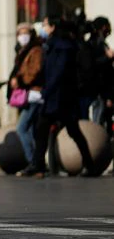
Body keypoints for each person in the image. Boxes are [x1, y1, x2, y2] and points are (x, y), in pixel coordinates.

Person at [27, 17, 98, 178]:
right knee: (43, 129)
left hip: (62, 98)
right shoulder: (52, 45)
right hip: (54, 98)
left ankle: (89, 165)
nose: (43, 27)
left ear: (53, 27)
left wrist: (45, 92)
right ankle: (38, 165)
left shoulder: (63, 47)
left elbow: (58, 73)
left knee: (73, 131)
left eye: (45, 24)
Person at [9, 23, 44, 174]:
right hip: (27, 94)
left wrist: (20, 80)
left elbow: (34, 70)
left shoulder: (35, 50)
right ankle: (36, 163)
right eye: (20, 33)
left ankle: (34, 162)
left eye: (26, 33)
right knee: (29, 129)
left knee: (22, 128)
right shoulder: (22, 51)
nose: (22, 36)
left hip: (34, 94)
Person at [79, 16, 113, 125]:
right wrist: (107, 58)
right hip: (96, 91)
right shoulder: (94, 45)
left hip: (96, 91)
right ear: (103, 28)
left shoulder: (97, 44)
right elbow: (93, 66)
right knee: (97, 125)